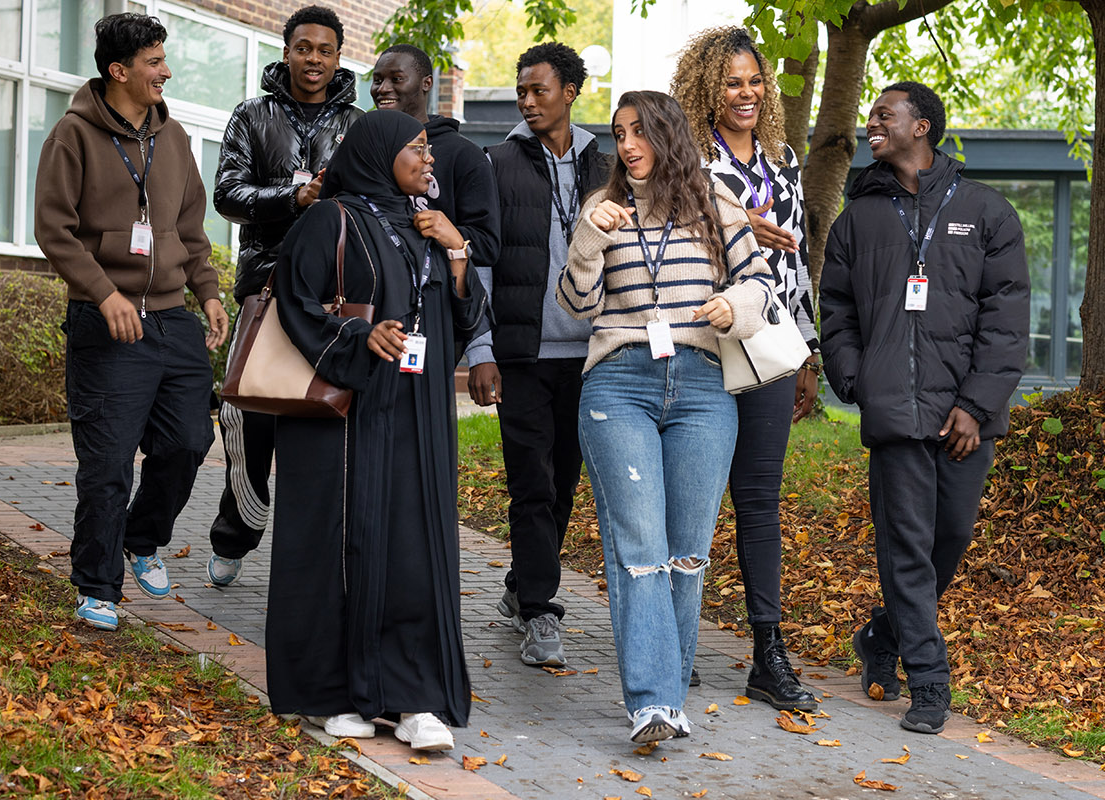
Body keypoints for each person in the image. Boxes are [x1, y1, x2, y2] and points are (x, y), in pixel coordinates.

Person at [265, 110, 483, 748]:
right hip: (345, 416)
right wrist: (361, 336)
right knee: (336, 546)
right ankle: (333, 691)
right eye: (417, 148)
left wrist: (457, 250)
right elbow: (293, 300)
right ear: (379, 152)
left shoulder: (422, 226)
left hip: (414, 413)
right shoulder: (327, 219)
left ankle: (411, 696)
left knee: (410, 545)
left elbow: (456, 319)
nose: (430, 159)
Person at [561, 90, 773, 744]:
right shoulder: (603, 211)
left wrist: (732, 307)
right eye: (619, 134)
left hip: (704, 384)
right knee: (641, 549)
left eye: (639, 133)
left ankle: (669, 698)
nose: (627, 146)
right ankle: (652, 702)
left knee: (686, 554)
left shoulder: (718, 204)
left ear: (667, 135)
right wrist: (592, 240)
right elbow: (574, 302)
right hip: (619, 382)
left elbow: (760, 284)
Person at [820, 81, 1030, 734]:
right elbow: (836, 310)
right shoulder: (858, 219)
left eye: (886, 114)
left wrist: (977, 404)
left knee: (951, 538)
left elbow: (1007, 319)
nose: (872, 122)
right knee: (905, 546)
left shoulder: (986, 213)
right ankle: (930, 680)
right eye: (871, 115)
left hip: (964, 414)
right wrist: (857, 380)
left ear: (923, 128)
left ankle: (883, 635)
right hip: (894, 411)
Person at [34, 12, 227, 632]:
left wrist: (210, 293)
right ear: (119, 71)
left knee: (190, 442)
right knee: (109, 463)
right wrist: (101, 294)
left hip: (174, 320)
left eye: (163, 59)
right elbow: (54, 231)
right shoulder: (74, 135)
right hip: (106, 324)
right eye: (153, 61)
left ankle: (142, 539)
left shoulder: (174, 140)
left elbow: (191, 230)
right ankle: (97, 587)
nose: (165, 71)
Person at [669, 26, 819, 712]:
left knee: (758, 501)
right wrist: (732, 229)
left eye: (755, 81)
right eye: (733, 82)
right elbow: (663, 247)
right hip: (704, 345)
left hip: (770, 348)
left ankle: (767, 653)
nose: (747, 93)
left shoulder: (782, 158)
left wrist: (807, 349)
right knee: (692, 501)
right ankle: (675, 643)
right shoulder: (685, 162)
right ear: (708, 89)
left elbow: (798, 259)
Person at [206, 5, 364, 588]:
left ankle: (311, 551)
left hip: (334, 295)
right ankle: (237, 532)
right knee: (249, 413)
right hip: (264, 286)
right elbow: (227, 193)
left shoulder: (359, 123)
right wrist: (293, 199)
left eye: (325, 50)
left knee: (322, 415)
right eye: (304, 48)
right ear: (287, 50)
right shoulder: (252, 115)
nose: (314, 59)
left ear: (339, 56)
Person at [466, 42, 610, 668]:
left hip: (592, 356)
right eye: (521, 91)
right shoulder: (496, 164)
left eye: (539, 90)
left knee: (562, 487)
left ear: (570, 92)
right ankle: (541, 614)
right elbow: (482, 264)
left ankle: (522, 584)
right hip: (522, 352)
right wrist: (481, 348)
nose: (527, 101)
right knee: (530, 483)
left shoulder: (607, 167)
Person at [371, 44, 500, 274]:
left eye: (397, 79)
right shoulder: (368, 146)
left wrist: (447, 233)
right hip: (372, 290)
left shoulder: (465, 155)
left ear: (426, 83)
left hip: (436, 295)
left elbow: (488, 246)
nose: (383, 88)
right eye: (377, 79)